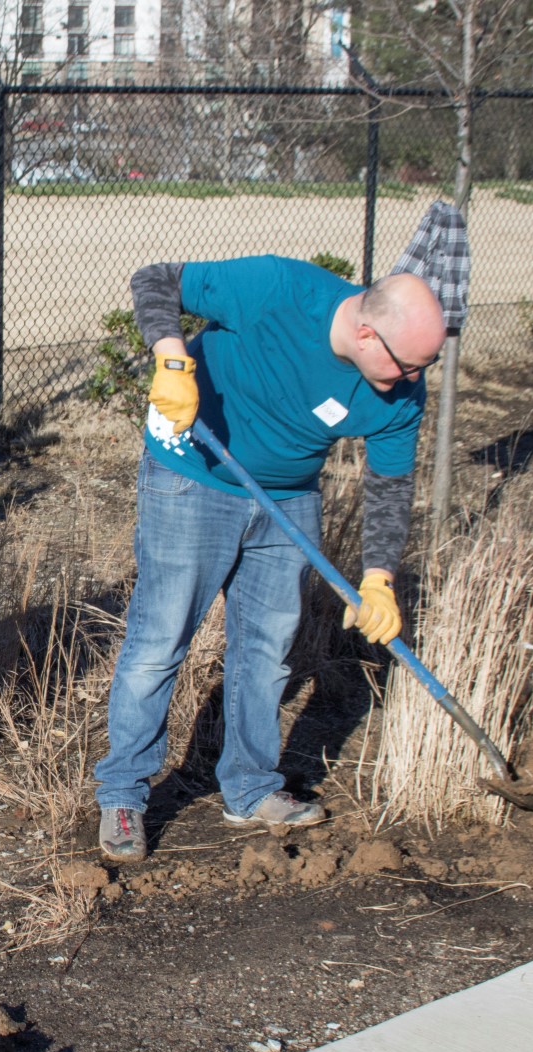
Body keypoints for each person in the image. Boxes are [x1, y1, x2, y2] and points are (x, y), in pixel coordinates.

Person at [95, 256, 445, 863]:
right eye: (406, 363)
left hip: (288, 500)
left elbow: (390, 486)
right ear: (366, 332)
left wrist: (379, 578)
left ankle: (250, 786)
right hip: (193, 473)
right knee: (159, 641)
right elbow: (155, 280)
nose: (412, 378)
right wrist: (172, 360)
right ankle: (123, 794)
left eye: (423, 365)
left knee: (268, 649)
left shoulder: (402, 391)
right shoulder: (281, 290)